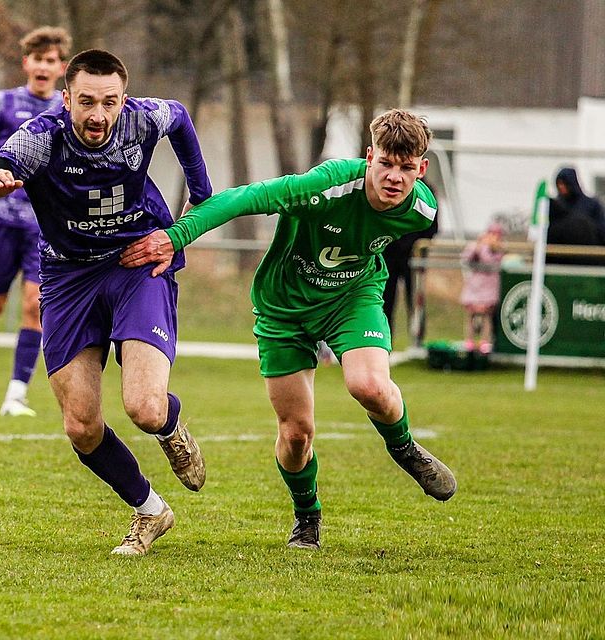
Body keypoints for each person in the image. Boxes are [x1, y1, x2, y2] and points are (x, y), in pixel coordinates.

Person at [121, 108, 457, 550]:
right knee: (297, 433)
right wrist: (177, 236)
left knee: (370, 386)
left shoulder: (422, 209)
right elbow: (245, 198)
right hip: (283, 307)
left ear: (422, 168)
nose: (394, 177)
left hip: (350, 299)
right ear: (369, 156)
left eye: (406, 168)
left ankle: (405, 448)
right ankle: (307, 516)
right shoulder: (328, 184)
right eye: (385, 165)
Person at [0, 49, 212, 556]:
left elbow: (179, 116)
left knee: (144, 407)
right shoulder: (41, 138)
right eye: (87, 102)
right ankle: (151, 511)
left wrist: (198, 197)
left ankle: (170, 424)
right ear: (66, 98)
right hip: (69, 277)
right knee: (82, 426)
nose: (98, 116)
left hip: (136, 262)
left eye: (109, 103)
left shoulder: (141, 119)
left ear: (123, 99)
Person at [0, 26, 72, 417]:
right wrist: (8, 159)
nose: (43, 66)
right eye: (37, 59)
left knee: (34, 305)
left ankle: (16, 394)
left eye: (51, 61)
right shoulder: (2, 103)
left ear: (61, 68)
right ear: (27, 63)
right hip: (3, 221)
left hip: (43, 226)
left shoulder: (65, 109)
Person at [381, 200, 438, 341]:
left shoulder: (425, 193)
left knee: (416, 299)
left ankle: (417, 340)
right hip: (389, 255)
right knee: (385, 300)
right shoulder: (389, 187)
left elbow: (432, 225)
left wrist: (418, 245)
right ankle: (384, 339)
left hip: (414, 257)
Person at [459, 223, 504, 353]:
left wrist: (484, 248)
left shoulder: (498, 250)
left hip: (489, 288)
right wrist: (478, 246)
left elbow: (489, 261)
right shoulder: (476, 246)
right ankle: (469, 341)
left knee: (486, 317)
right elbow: (466, 258)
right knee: (471, 316)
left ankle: (485, 342)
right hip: (474, 286)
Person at [547, 167, 605, 265]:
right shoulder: (556, 206)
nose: (561, 187)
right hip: (561, 258)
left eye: (564, 183)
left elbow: (601, 231)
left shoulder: (591, 205)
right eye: (559, 184)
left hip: (588, 257)